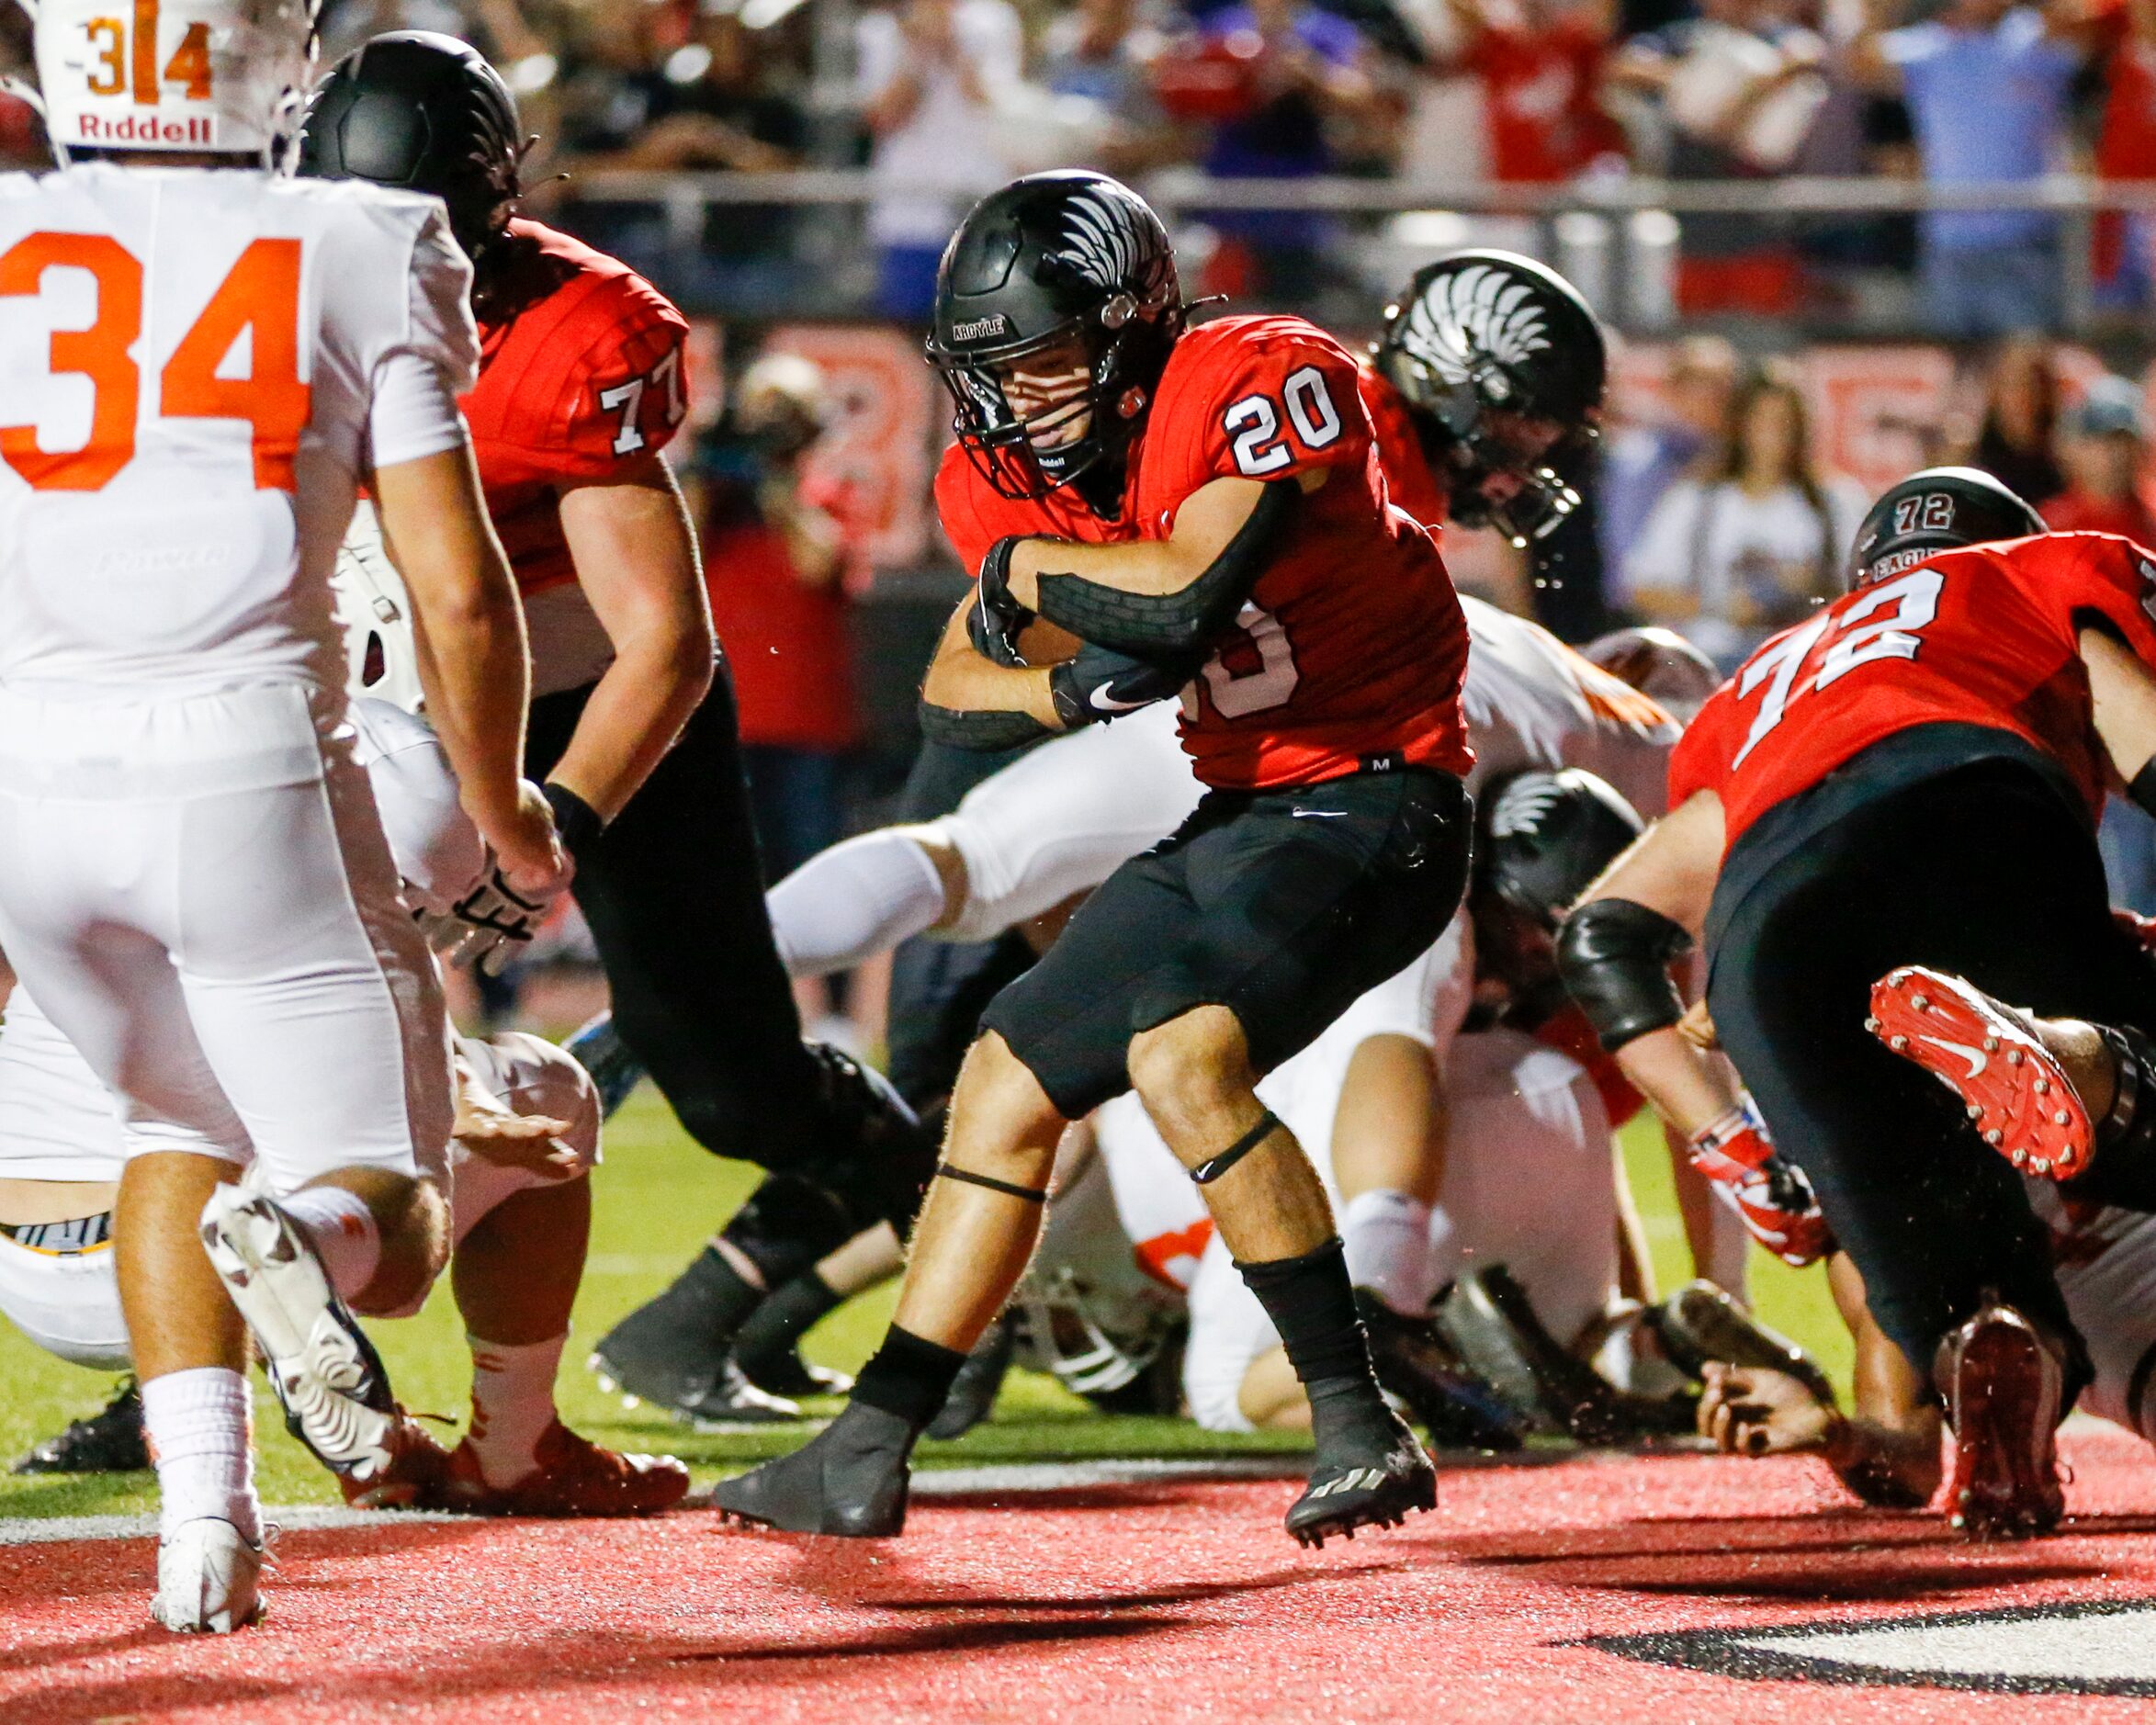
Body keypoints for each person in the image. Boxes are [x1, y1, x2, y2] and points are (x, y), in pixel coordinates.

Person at [711, 169, 1474, 1549]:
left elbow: (1181, 597)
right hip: (1238, 808)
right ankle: (865, 1442)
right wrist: (1058, 682)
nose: (1021, 399)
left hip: (1381, 801)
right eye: (991, 369)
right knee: (1001, 1079)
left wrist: (1026, 583)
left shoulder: (1251, 371)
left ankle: (1355, 1418)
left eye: (1051, 359)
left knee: (1180, 1052)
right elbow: (954, 688)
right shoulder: (991, 471)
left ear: (1131, 332)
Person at [0, 0, 566, 1632]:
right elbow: (456, 594)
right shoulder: (358, 238)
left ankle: (204, 1525)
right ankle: (294, 1229)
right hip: (250, 771)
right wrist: (508, 799)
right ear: (275, 60)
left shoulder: (25, 234)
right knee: (381, 1219)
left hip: (35, 788)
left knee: (180, 1121)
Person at [299, 34, 939, 1426]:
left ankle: (946, 1232)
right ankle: (168, 1365)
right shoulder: (255, 297)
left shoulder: (579, 325)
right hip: (360, 697)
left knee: (728, 1088)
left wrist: (554, 827)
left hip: (583, 704)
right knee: (255, 1028)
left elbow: (667, 638)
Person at [1560, 467, 2156, 1536]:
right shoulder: (2026, 576)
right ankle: (2064, 1059)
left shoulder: (1769, 681)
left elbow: (1603, 934)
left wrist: (1733, 1145)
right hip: (1966, 812)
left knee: (1984, 1319)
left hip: (1768, 941)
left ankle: (2001, 1352)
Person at [0, 694, 689, 1520]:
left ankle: (236, 1501)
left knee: (188, 1121)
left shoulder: (96, 767)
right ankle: (515, 1441)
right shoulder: (371, 798)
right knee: (547, 1092)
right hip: (183, 1256)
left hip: (27, 1260)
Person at [1849, 0, 2086, 338]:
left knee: (2025, 365)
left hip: (2027, 242)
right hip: (1950, 243)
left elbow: (2090, 32)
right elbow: (1862, 64)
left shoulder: (2038, 33)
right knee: (1955, 367)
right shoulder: (1931, 45)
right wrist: (1878, 10)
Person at [1623, 361, 1868, 671]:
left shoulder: (1832, 501)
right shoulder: (1698, 499)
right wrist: (1722, 607)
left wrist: (1811, 589)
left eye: (1783, 423)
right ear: (1739, 425)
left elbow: (1868, 590)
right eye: (1761, 421)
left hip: (1808, 663)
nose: (1771, 435)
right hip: (1717, 661)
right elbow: (1641, 588)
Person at [857, 0, 1024, 321]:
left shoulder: (993, 19)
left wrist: (952, 43)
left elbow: (994, 102)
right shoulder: (882, 27)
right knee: (909, 326)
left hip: (978, 200)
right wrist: (918, 54)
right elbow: (883, 117)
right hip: (908, 209)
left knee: (982, 325)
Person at [2041, 375, 2156, 545]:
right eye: (2103, 441)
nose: (2117, 454)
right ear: (2074, 449)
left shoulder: (2152, 516)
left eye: (2124, 441)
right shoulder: (2052, 524)